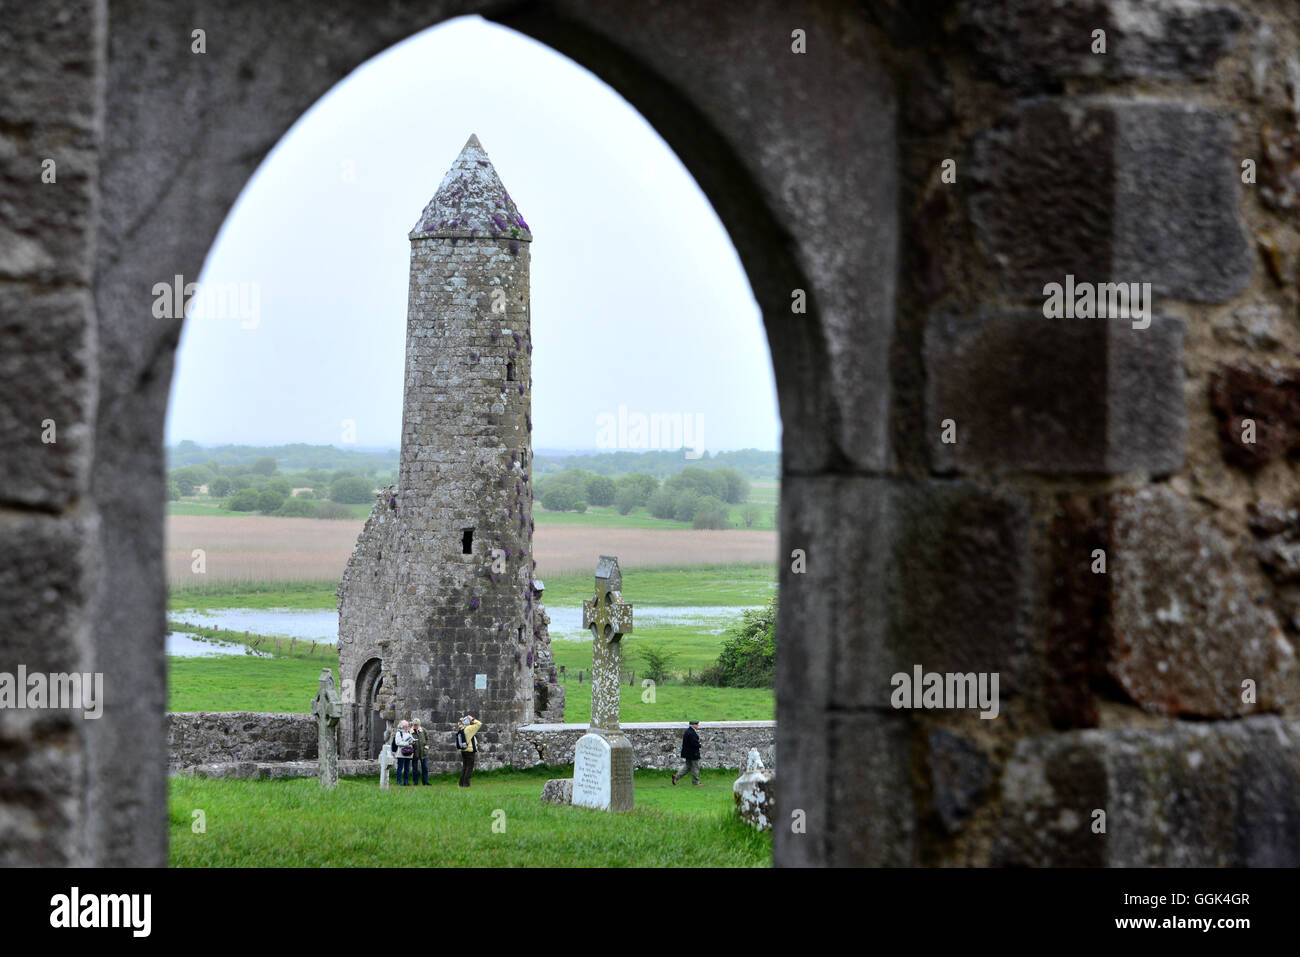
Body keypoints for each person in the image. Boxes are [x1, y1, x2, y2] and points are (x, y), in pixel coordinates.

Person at [671, 720, 702, 786]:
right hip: (693, 753)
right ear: (693, 725)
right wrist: (699, 744)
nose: (697, 725)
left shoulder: (688, 731)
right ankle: (695, 782)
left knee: (687, 767)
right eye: (697, 724)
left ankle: (676, 777)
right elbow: (694, 743)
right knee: (695, 767)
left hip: (687, 753)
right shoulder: (692, 732)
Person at [457, 714, 482, 788]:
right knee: (469, 768)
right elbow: (479, 724)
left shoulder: (462, 728)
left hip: (463, 750)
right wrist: (472, 719)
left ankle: (461, 783)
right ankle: (466, 784)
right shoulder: (469, 729)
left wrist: (461, 721)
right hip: (470, 750)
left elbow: (460, 724)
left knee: (465, 767)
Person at [393, 720, 414, 786]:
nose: (407, 727)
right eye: (405, 726)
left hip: (408, 753)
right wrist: (407, 743)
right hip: (401, 754)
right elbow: (398, 743)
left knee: (407, 769)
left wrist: (412, 742)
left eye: (407, 726)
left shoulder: (409, 733)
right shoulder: (399, 733)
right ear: (402, 726)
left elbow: (410, 740)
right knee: (400, 768)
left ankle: (406, 782)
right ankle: (399, 782)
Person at [410, 717, 430, 786]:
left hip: (423, 752)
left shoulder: (423, 730)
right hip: (415, 752)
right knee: (415, 768)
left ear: (419, 725)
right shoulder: (410, 731)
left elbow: (427, 739)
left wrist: (426, 748)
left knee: (425, 767)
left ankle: (425, 781)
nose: (415, 726)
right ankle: (415, 782)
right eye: (414, 725)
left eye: (417, 725)